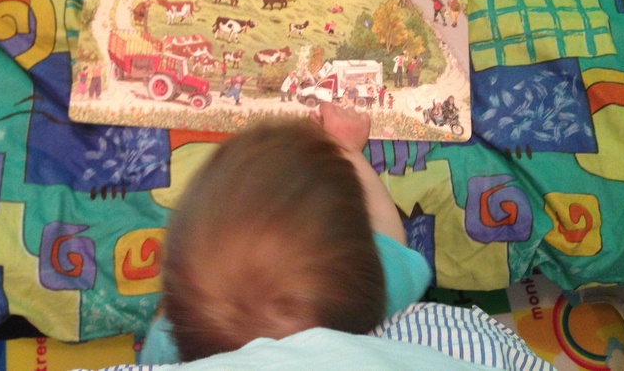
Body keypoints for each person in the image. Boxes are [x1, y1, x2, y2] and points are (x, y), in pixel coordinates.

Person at [141, 103, 431, 365]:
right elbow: (389, 232)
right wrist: (345, 147)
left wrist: (168, 307)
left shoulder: (167, 348)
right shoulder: (375, 298)